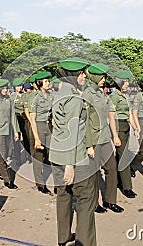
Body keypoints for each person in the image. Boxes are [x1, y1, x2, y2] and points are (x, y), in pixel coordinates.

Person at [49, 57, 97, 246]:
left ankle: (63, 237)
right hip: (74, 156)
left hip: (57, 154)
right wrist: (70, 164)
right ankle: (84, 242)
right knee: (86, 200)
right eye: (81, 73)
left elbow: (55, 124)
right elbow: (72, 130)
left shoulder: (60, 93)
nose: (84, 76)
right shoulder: (75, 98)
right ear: (73, 76)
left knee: (63, 196)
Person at [83, 63, 124, 213]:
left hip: (105, 137)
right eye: (101, 76)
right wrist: (88, 145)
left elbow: (110, 115)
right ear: (93, 77)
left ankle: (110, 200)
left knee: (111, 168)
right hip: (93, 139)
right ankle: (93, 203)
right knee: (93, 173)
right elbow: (84, 121)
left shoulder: (102, 93)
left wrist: (115, 136)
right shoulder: (87, 94)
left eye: (105, 76)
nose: (103, 79)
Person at [109, 70, 137, 199]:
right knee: (124, 156)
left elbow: (129, 113)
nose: (128, 83)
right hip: (118, 127)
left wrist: (135, 127)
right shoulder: (114, 96)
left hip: (125, 127)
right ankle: (127, 187)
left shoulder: (123, 95)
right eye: (126, 81)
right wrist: (115, 135)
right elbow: (111, 116)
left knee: (120, 156)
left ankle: (117, 181)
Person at [29, 71, 54, 194]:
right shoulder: (35, 98)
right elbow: (32, 119)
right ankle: (40, 183)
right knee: (38, 157)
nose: (48, 83)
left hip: (48, 126)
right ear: (39, 83)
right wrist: (36, 138)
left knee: (52, 153)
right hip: (38, 126)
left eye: (48, 81)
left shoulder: (50, 95)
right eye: (45, 81)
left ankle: (58, 180)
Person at [11, 78, 28, 161]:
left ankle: (28, 156)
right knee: (17, 138)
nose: (20, 88)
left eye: (21, 86)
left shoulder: (26, 95)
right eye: (18, 86)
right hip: (16, 117)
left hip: (24, 117)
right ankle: (17, 158)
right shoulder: (12, 96)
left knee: (27, 136)